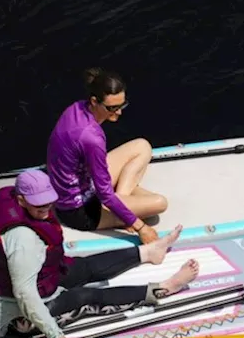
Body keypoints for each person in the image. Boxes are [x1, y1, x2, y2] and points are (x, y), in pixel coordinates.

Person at [0, 169, 199, 338]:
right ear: (21, 199)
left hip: (6, 288)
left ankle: (149, 252)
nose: (46, 208)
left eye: (49, 201)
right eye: (39, 205)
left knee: (82, 268)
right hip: (10, 317)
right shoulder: (23, 241)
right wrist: (56, 336)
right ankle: (164, 287)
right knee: (86, 297)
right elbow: (25, 294)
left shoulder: (7, 196)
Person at [45, 67, 168, 245]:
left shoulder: (76, 108)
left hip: (74, 185)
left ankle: (121, 201)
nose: (118, 112)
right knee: (159, 203)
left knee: (143, 146)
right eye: (112, 108)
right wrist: (140, 227)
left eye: (122, 105)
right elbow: (104, 194)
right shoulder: (92, 138)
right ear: (94, 101)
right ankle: (122, 209)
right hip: (79, 210)